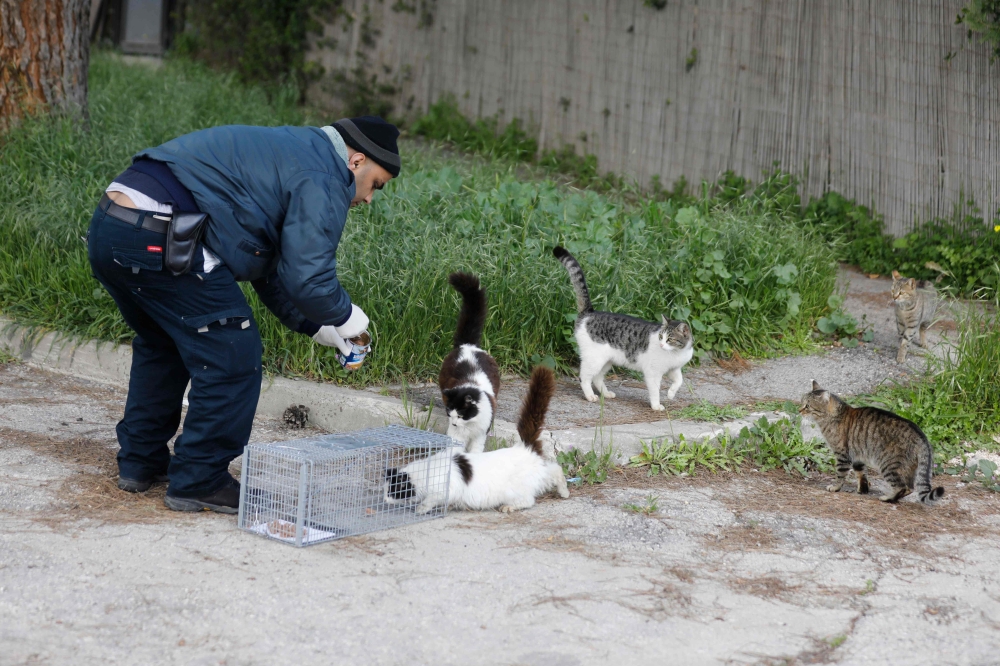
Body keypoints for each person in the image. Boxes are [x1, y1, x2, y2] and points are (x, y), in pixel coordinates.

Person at [86, 116, 400, 513]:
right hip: (162, 232)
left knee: (163, 344)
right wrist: (347, 316)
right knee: (232, 352)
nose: (369, 198)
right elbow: (308, 276)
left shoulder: (292, 151)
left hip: (113, 226)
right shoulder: (324, 174)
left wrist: (317, 325)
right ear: (356, 161)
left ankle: (141, 462)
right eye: (377, 184)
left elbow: (271, 270)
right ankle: (200, 479)